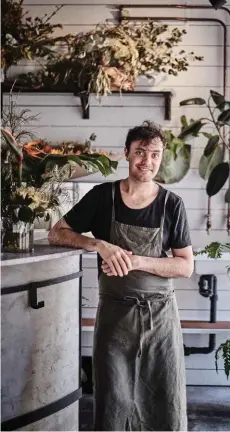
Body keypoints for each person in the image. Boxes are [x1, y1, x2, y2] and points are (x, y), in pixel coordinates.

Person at [48, 120, 194, 431]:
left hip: (160, 322)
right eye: (141, 152)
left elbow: (185, 265)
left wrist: (138, 260)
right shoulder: (103, 197)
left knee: (164, 404)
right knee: (114, 403)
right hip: (115, 320)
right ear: (126, 153)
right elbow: (56, 233)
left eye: (155, 154)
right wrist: (98, 244)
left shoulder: (172, 205)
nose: (148, 161)